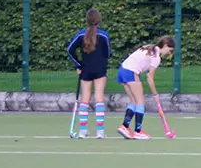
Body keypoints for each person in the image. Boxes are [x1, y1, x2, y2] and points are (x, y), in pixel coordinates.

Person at [115, 36, 174, 140]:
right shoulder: (156, 57)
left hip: (122, 69)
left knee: (133, 101)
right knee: (140, 102)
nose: (170, 53)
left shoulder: (149, 47)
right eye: (170, 50)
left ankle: (125, 126)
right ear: (165, 46)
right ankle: (138, 131)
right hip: (130, 71)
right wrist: (155, 94)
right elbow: (150, 78)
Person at [65, 8, 111, 138]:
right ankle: (100, 132)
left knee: (84, 99)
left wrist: (78, 64)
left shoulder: (81, 35)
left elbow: (70, 50)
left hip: (85, 70)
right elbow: (107, 53)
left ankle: (82, 131)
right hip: (100, 70)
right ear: (98, 20)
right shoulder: (104, 35)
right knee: (99, 98)